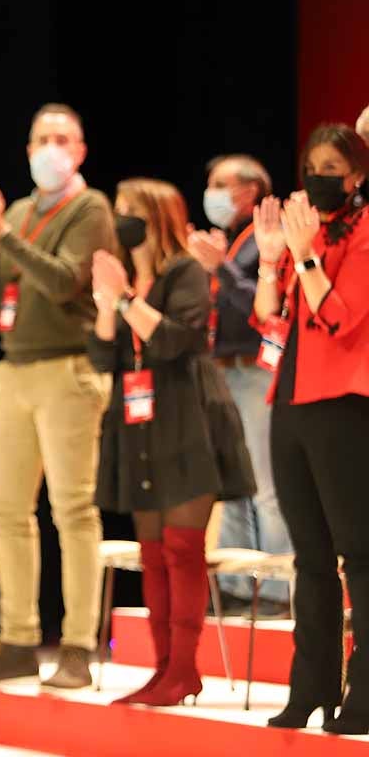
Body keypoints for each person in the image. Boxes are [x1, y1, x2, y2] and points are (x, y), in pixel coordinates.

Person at [0, 104, 114, 689]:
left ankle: (80, 645)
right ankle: (17, 638)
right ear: (28, 146)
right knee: (5, 509)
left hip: (69, 369)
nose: (51, 148)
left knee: (72, 509)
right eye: (42, 138)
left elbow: (64, 281)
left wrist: (3, 235)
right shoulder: (15, 210)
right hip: (14, 372)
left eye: (63, 139)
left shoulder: (90, 208)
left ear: (81, 151)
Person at [89, 178, 255, 707]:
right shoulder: (125, 274)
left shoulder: (183, 269)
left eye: (130, 210)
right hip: (141, 421)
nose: (121, 219)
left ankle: (185, 668)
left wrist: (125, 298)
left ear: (156, 215)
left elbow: (175, 340)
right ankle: (163, 669)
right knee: (153, 553)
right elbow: (101, 357)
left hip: (188, 414)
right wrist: (105, 304)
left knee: (183, 549)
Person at [252, 124, 369, 734]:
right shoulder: (308, 232)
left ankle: (365, 692)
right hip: (290, 400)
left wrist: (303, 255)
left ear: (356, 176)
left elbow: (343, 319)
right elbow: (271, 318)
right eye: (311, 164)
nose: (319, 175)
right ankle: (310, 688)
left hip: (343, 404)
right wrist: (274, 259)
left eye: (333, 165)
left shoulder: (364, 230)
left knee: (360, 552)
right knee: (311, 558)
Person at [188, 155, 292, 617]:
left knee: (267, 487)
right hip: (221, 369)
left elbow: (268, 308)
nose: (212, 193)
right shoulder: (229, 243)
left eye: (221, 184)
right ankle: (232, 587)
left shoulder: (266, 239)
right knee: (232, 485)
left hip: (256, 369)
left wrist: (222, 269)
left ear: (250, 191)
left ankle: (274, 591)